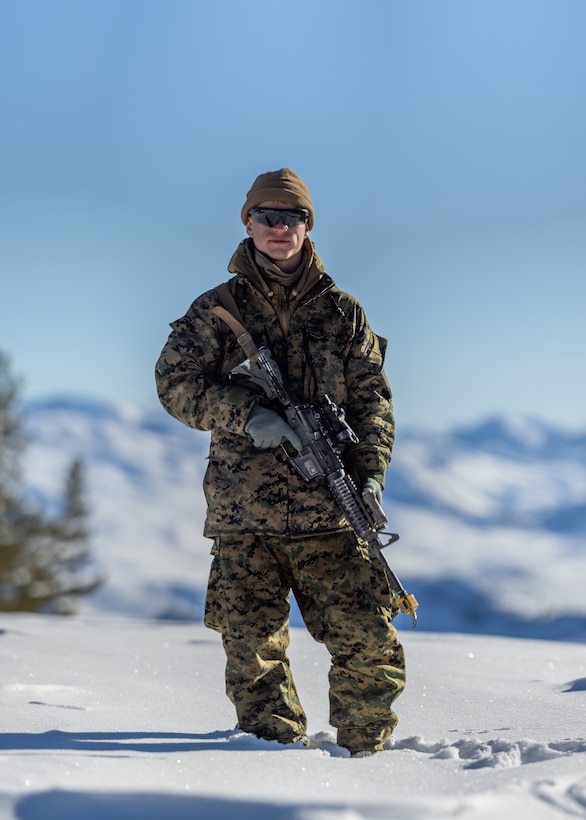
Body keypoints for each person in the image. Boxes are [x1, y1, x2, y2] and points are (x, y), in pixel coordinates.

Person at [155, 168, 406, 756]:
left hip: (331, 512)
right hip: (244, 516)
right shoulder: (216, 311)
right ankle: (268, 767)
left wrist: (370, 475)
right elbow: (174, 384)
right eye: (267, 216)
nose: (278, 227)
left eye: (290, 217)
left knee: (370, 644)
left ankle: (369, 765)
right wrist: (245, 414)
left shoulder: (343, 313)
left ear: (307, 227)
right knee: (251, 652)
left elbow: (373, 403)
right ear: (248, 223)